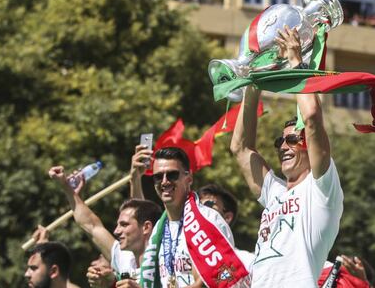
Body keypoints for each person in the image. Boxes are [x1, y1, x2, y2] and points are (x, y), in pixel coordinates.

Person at [230, 25, 344, 287]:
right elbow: (240, 149)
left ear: (309, 146)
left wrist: (295, 60)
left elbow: (312, 118)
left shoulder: (321, 188)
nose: (283, 146)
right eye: (280, 140)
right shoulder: (275, 191)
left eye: (293, 139)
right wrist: (253, 82)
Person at [140, 147, 244, 287]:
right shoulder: (158, 230)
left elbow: (224, 276)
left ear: (189, 178)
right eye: (158, 176)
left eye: (172, 175)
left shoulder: (208, 219)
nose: (164, 182)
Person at [49, 165, 162, 287]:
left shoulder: (166, 256)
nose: (116, 231)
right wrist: (66, 187)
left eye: (124, 225)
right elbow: (91, 225)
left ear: (146, 227)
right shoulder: (123, 258)